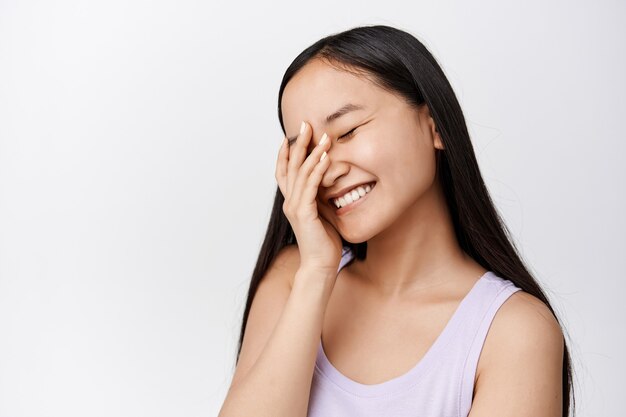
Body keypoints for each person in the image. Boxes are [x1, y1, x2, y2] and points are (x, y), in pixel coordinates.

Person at [218, 25, 574, 417]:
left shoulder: (513, 332)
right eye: (305, 152)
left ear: (434, 124)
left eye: (348, 131)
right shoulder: (293, 278)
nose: (326, 170)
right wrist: (317, 272)